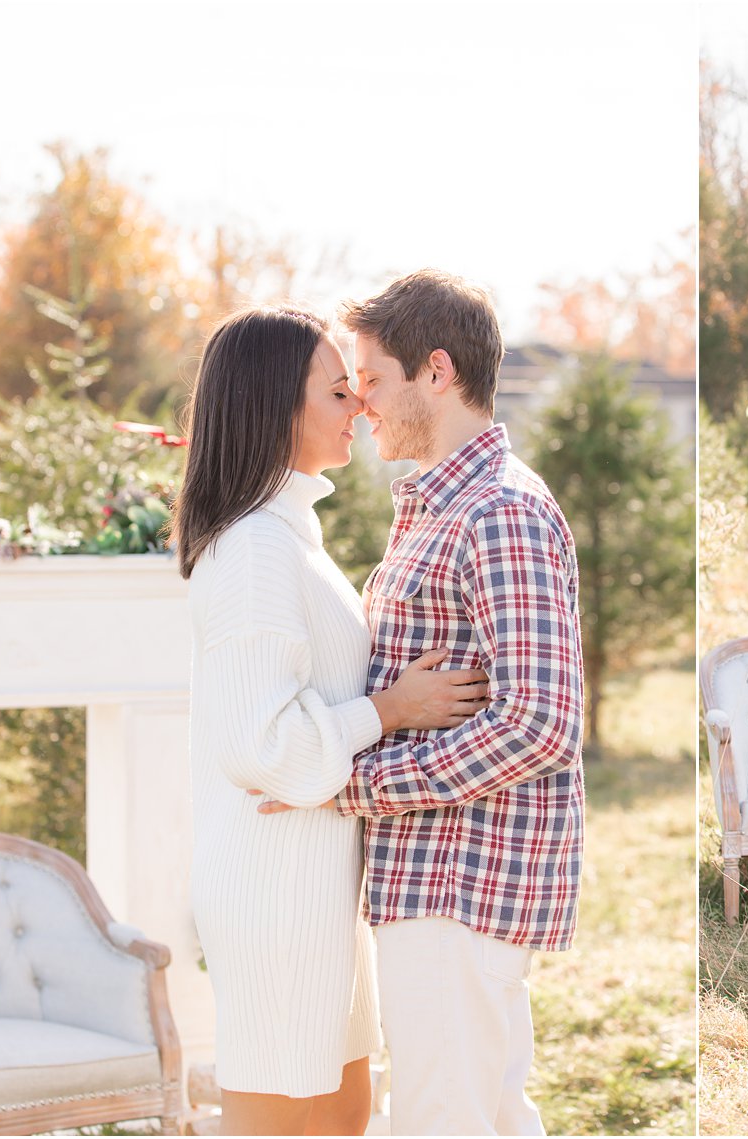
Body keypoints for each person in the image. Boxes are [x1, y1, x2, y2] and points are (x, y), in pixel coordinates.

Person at [259, 271, 585, 1135]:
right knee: (485, 1114)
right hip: (432, 874)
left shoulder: (498, 512)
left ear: (435, 372)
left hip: (461, 881)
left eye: (371, 377)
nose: (359, 403)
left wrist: (353, 783)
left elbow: (541, 721)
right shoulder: (441, 506)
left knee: (446, 1119)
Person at [175, 305, 489, 1136]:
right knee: (293, 1108)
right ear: (276, 403)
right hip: (278, 885)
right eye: (338, 390)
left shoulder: (290, 535)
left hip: (317, 875)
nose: (360, 406)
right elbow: (263, 745)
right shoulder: (252, 550)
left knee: (342, 1110)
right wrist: (390, 710)